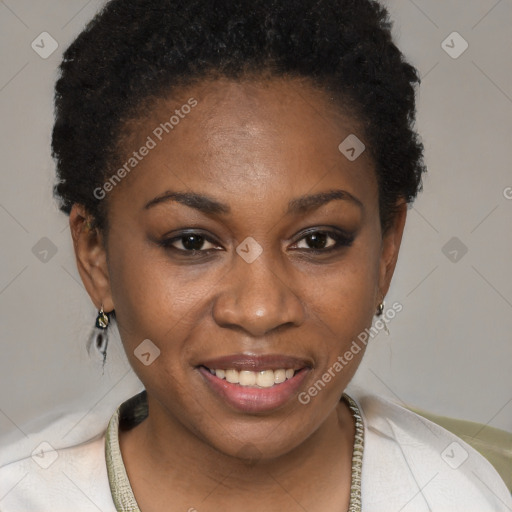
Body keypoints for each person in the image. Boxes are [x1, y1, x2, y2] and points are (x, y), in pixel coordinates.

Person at [1, 0, 511, 510]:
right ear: (95, 256)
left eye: (317, 240)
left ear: (386, 251)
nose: (261, 310)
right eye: (193, 242)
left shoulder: (461, 495)